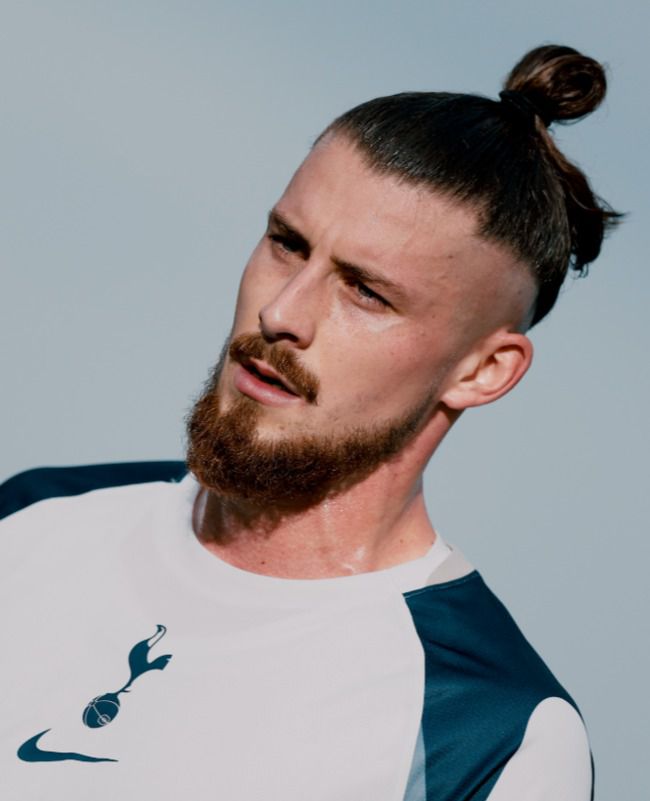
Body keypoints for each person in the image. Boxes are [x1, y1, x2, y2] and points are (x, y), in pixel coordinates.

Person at [0, 44, 620, 800]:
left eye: (366, 292)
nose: (281, 312)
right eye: (286, 244)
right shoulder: (31, 517)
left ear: (483, 370)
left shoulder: (492, 734)